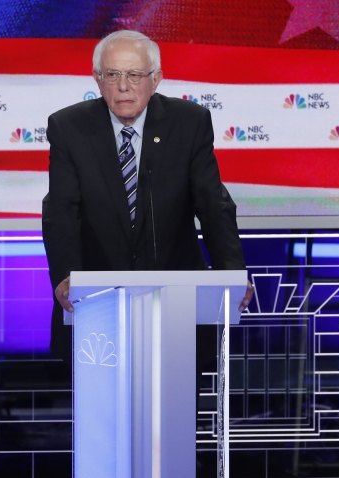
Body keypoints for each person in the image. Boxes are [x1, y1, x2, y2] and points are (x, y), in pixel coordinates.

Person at [42, 30, 253, 358]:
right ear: (97, 80)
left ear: (156, 80)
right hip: (98, 303)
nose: (123, 86)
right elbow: (61, 211)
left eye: (135, 75)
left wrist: (231, 272)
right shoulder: (69, 128)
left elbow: (213, 204)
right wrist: (66, 275)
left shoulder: (189, 123)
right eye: (112, 74)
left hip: (177, 300)